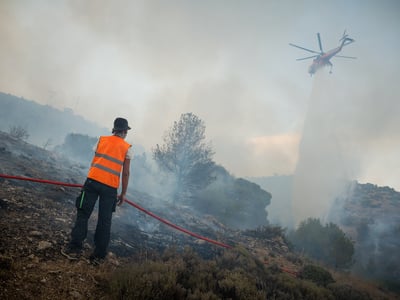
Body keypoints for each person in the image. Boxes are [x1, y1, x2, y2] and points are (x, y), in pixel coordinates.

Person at [63, 117, 133, 265]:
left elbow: (94, 160)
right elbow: (126, 173)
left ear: (114, 129)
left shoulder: (101, 140)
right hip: (110, 188)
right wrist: (123, 193)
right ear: (125, 131)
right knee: (104, 220)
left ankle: (75, 247)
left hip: (92, 181)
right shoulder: (127, 148)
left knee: (83, 213)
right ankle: (99, 255)